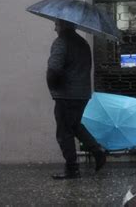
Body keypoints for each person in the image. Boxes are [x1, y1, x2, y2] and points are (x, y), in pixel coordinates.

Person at [47, 19, 106, 180]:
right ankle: (97, 151)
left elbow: (54, 68)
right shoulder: (83, 43)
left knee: (64, 132)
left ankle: (72, 169)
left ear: (64, 26)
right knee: (74, 126)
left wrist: (52, 86)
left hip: (66, 94)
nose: (54, 28)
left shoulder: (61, 42)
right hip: (82, 94)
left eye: (57, 24)